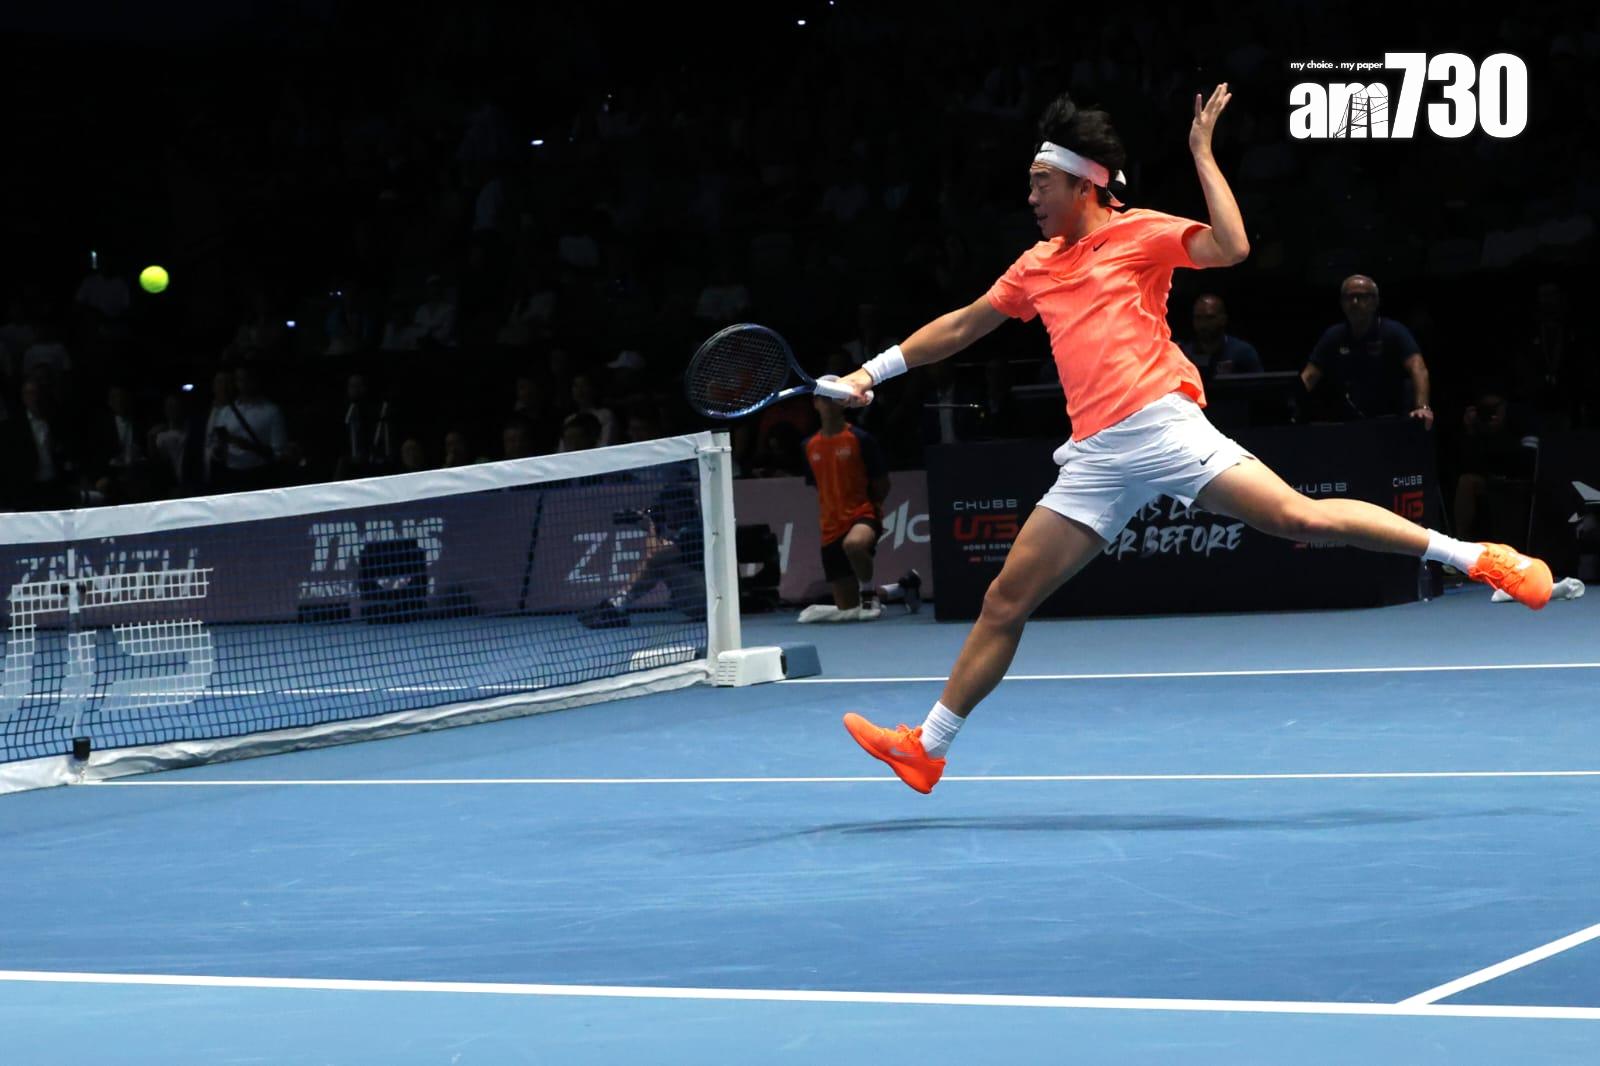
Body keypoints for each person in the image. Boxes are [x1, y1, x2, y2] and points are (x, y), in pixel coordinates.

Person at [831, 86, 1553, 795]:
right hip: (1094, 457)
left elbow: (1231, 247)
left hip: (1159, 424)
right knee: (1004, 600)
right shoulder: (1036, 265)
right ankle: (927, 748)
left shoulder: (1138, 233)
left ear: (1083, 185)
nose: (1031, 197)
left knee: (1297, 516)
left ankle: (1477, 558)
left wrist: (1202, 153)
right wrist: (871, 372)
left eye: (1040, 183)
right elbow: (963, 324)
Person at [797, 394, 891, 623]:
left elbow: (882, 483)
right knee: (848, 609)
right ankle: (902, 587)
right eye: (824, 399)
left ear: (844, 403)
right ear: (816, 403)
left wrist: (872, 509)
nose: (829, 403)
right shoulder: (809, 446)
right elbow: (818, 485)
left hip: (863, 514)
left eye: (835, 399)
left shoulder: (860, 439)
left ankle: (869, 594)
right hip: (830, 526)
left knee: (854, 545)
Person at [577, 466, 706, 629]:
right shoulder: (689, 527)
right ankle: (617, 604)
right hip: (700, 599)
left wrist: (652, 526)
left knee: (662, 564)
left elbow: (654, 557)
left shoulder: (693, 531)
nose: (667, 514)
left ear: (684, 509)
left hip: (707, 602)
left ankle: (617, 604)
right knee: (662, 561)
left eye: (670, 508)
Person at [1300, 275, 1432, 428]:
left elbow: (1418, 369)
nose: (1354, 302)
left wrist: (1422, 407)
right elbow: (1309, 377)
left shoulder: (1394, 331)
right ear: (1342, 303)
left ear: (1375, 302)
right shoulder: (1333, 336)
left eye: (1361, 296)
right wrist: (1290, 404)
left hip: (1393, 419)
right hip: (1350, 422)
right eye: (1349, 297)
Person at [1178, 293, 1263, 383]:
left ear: (1223, 319)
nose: (1203, 324)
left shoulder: (1243, 352)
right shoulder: (1183, 354)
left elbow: (1259, 386)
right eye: (1198, 318)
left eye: (1209, 318)